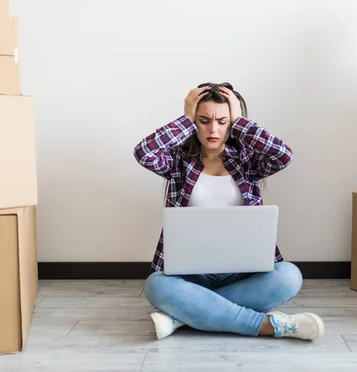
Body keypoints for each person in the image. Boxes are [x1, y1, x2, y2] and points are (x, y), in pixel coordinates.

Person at [134, 82, 325, 341]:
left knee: (289, 276)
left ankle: (184, 315)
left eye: (223, 121)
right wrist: (185, 119)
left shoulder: (246, 161)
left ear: (231, 123)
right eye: (203, 120)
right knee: (156, 284)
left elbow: (283, 155)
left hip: (242, 269)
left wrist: (240, 120)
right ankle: (266, 325)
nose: (213, 129)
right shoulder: (179, 161)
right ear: (194, 122)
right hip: (192, 273)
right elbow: (144, 152)